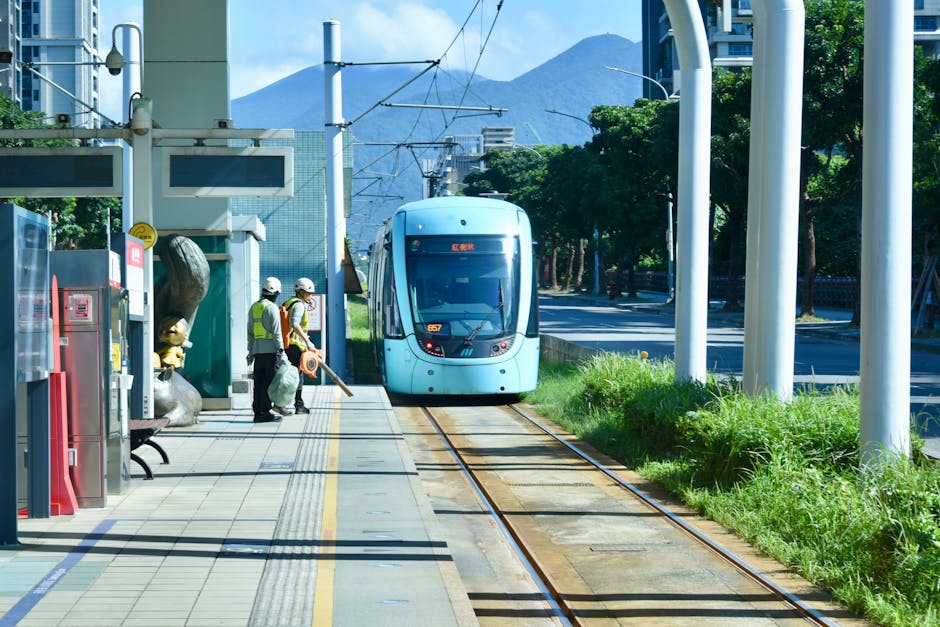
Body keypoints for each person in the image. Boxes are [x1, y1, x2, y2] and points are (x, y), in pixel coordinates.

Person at [247, 277, 285, 423]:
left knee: (258, 383)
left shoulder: (254, 307)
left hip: (257, 352)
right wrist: (281, 349)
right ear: (274, 292)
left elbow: (250, 332)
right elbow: (277, 332)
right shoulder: (272, 308)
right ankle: (265, 412)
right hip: (270, 352)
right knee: (269, 383)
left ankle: (258, 412)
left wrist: (250, 351)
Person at [281, 277, 320, 413]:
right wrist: (308, 342)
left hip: (288, 345)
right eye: (308, 293)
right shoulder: (299, 305)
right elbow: (295, 324)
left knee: (289, 375)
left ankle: (287, 403)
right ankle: (298, 405)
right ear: (301, 292)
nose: (310, 296)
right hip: (295, 346)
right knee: (297, 376)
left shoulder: (288, 302)